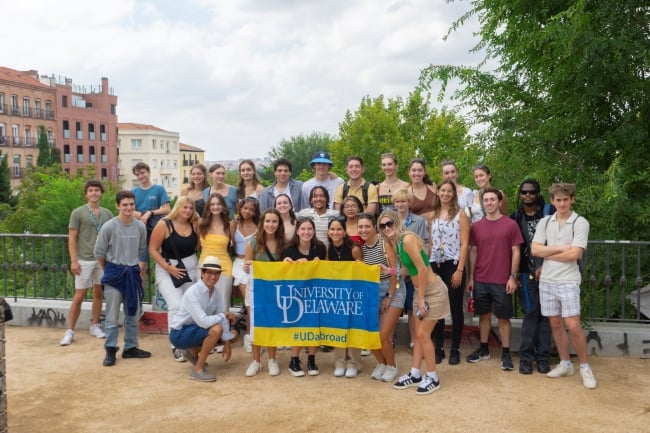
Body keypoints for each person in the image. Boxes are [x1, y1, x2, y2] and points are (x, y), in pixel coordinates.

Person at [531, 183, 596, 389]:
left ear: (572, 200)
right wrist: (560, 248)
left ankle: (585, 367)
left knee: (573, 324)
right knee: (555, 324)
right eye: (558, 200)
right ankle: (565, 363)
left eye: (565, 200)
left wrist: (548, 251)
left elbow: (575, 254)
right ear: (552, 201)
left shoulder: (580, 222)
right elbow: (535, 250)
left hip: (568, 280)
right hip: (547, 280)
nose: (562, 203)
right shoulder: (545, 222)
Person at [381, 210, 450, 395]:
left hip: (431, 292)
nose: (386, 228)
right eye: (382, 225)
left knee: (422, 334)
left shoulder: (408, 239)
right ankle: (415, 373)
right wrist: (390, 270)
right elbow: (408, 270)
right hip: (420, 292)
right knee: (419, 336)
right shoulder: (397, 243)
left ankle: (433, 377)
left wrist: (420, 299)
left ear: (396, 223)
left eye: (389, 224)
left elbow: (421, 268)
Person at [465, 187, 523, 371]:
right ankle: (484, 349)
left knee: (504, 318)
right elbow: (473, 251)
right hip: (481, 278)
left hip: (502, 280)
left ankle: (506, 353)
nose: (489, 203)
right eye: (486, 200)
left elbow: (516, 251)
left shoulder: (510, 224)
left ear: (499, 202)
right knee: (483, 316)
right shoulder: (477, 226)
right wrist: (471, 278)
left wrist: (513, 277)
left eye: (492, 200)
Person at [94, 190, 149, 367]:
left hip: (132, 274)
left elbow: (140, 250)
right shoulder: (109, 226)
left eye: (131, 204)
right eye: (125, 204)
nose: (129, 208)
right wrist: (110, 270)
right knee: (111, 316)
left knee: (132, 314)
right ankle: (110, 349)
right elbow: (100, 253)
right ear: (118, 206)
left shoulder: (140, 227)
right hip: (114, 273)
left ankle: (131, 347)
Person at [60, 180, 113, 346]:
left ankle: (95, 325)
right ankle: (70, 330)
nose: (94, 193)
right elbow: (72, 237)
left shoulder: (107, 213)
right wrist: (73, 260)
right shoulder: (78, 212)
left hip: (101, 260)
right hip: (84, 259)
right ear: (86, 194)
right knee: (79, 296)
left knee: (98, 294)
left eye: (97, 190)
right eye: (91, 190)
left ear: (101, 193)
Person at [169, 256, 239, 382]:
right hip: (179, 333)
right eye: (209, 273)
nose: (213, 277)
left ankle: (191, 352)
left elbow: (220, 318)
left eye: (216, 273)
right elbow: (204, 321)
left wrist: (227, 343)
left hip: (195, 329)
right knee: (216, 330)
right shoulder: (193, 292)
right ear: (202, 273)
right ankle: (198, 370)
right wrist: (224, 315)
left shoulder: (215, 292)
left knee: (233, 335)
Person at [148, 196, 200, 362]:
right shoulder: (164, 224)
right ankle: (176, 345)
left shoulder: (193, 224)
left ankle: (190, 341)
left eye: (190, 208)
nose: (187, 211)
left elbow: (198, 247)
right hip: (168, 268)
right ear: (178, 207)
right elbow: (153, 249)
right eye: (185, 207)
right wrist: (168, 268)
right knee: (176, 305)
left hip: (191, 267)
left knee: (190, 305)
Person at [511, 179, 554, 374]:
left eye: (532, 192)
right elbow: (512, 249)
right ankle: (526, 358)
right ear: (520, 195)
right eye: (524, 192)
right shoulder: (516, 217)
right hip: (526, 274)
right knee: (531, 313)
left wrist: (544, 264)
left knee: (546, 315)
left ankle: (543, 357)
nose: (528, 195)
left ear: (538, 194)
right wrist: (513, 275)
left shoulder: (549, 213)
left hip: (551, 272)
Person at [429, 180, 470, 365]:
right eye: (442, 190)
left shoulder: (461, 215)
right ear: (438, 192)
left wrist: (460, 269)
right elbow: (431, 243)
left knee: (454, 307)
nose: (445, 194)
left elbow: (465, 244)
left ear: (454, 194)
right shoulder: (433, 215)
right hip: (435, 264)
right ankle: (438, 347)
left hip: (453, 264)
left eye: (449, 191)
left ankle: (455, 348)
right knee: (437, 307)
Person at [358, 212, 403, 383]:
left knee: (383, 335)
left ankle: (392, 366)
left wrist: (389, 295)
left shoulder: (384, 244)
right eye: (360, 226)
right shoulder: (361, 248)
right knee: (370, 333)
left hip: (394, 289)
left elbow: (396, 272)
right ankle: (381, 363)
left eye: (367, 226)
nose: (364, 229)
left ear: (374, 227)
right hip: (371, 291)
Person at [243, 208, 286, 377]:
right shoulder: (252, 242)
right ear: (262, 223)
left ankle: (272, 359)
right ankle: (256, 361)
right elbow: (247, 264)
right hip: (256, 290)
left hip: (274, 290)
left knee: (272, 324)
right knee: (256, 324)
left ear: (279, 224)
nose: (270, 224)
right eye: (267, 221)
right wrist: (246, 265)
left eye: (274, 221)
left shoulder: (283, 243)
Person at [282, 217, 327, 377]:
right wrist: (286, 263)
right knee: (298, 326)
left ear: (314, 231)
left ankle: (311, 358)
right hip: (296, 295)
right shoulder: (289, 248)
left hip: (315, 293)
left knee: (314, 325)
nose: (306, 232)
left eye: (309, 229)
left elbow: (326, 270)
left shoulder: (320, 247)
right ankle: (294, 359)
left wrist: (318, 263)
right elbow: (282, 273)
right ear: (298, 231)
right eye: (303, 229)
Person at [391, 188, 429, 353]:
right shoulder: (389, 221)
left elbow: (423, 244)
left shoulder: (419, 221)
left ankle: (414, 341)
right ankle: (389, 339)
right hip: (396, 269)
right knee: (393, 306)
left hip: (413, 269)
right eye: (397, 201)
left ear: (409, 203)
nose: (400, 204)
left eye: (403, 201)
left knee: (413, 309)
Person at [326, 217, 363, 378]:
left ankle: (354, 363)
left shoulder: (354, 249)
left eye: (339, 229)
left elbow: (362, 271)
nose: (335, 232)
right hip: (336, 294)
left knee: (353, 328)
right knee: (338, 327)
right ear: (328, 232)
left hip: (353, 293)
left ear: (344, 231)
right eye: (332, 229)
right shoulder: (328, 249)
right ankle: (340, 361)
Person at [230, 196, 260, 353]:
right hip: (238, 264)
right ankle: (250, 336)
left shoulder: (259, 227)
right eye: (245, 208)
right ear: (240, 209)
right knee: (249, 304)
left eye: (251, 209)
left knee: (253, 303)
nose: (247, 211)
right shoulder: (234, 224)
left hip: (253, 265)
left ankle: (253, 334)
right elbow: (230, 243)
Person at [198, 193, 234, 319]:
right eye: (212, 204)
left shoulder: (230, 224)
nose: (215, 207)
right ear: (208, 207)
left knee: (223, 302)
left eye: (218, 204)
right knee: (203, 301)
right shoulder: (201, 223)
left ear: (223, 206)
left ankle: (223, 330)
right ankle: (207, 332)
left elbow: (234, 243)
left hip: (224, 266)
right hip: (204, 265)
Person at [131, 162, 170, 260]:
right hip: (139, 229)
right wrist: (143, 215)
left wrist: (150, 213)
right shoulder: (133, 192)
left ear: (149, 172)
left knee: (161, 258)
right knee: (141, 263)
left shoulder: (159, 189)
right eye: (137, 174)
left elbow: (167, 209)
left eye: (142, 173)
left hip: (155, 227)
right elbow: (129, 211)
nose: (140, 176)